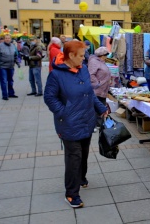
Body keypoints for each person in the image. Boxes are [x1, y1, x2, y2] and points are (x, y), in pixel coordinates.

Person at [44, 40, 108, 208]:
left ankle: (81, 178)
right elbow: (49, 98)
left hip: (87, 120)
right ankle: (71, 194)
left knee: (84, 153)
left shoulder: (83, 69)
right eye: (81, 55)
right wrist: (65, 112)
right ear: (71, 55)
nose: (84, 58)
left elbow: (90, 93)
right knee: (74, 157)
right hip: (69, 123)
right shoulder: (56, 75)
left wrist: (101, 108)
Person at [0, 34, 21, 100]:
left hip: (11, 66)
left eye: (8, 38)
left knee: (10, 81)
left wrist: (18, 63)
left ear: (10, 39)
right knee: (4, 81)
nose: (7, 39)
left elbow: (15, 55)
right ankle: (5, 95)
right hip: (3, 67)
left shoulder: (13, 46)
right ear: (4, 39)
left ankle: (11, 93)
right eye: (6, 38)